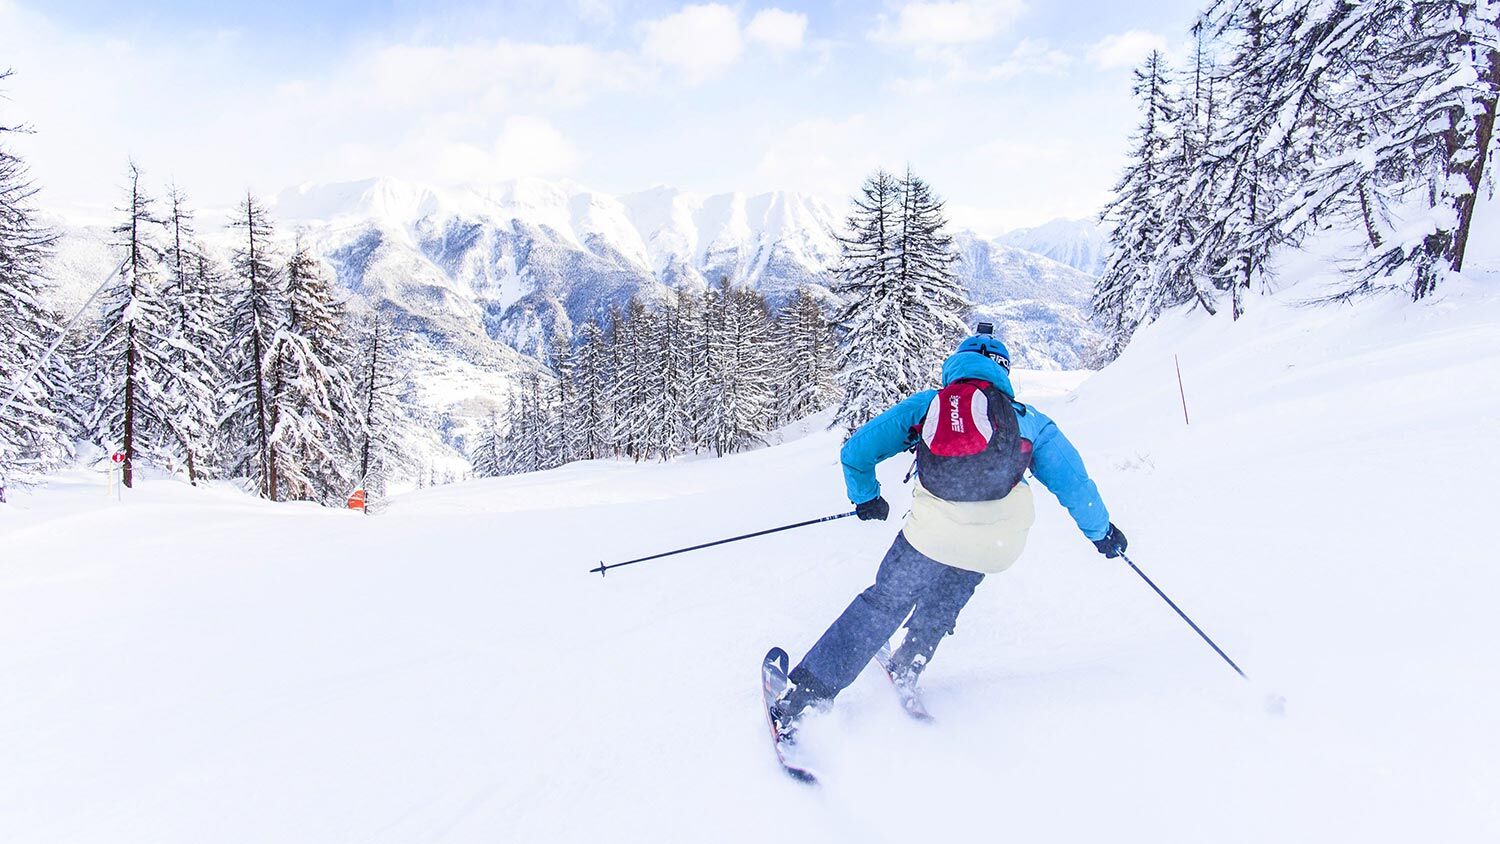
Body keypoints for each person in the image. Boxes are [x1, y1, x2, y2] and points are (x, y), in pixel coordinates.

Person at [774, 327, 1127, 730]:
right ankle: (909, 663)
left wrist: (867, 498)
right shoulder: (1030, 421)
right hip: (997, 543)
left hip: (930, 534)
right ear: (1003, 371)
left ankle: (803, 701)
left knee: (885, 602)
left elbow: (855, 453)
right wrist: (1103, 534)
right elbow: (1075, 486)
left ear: (956, 365)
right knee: (948, 592)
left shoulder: (929, 406)